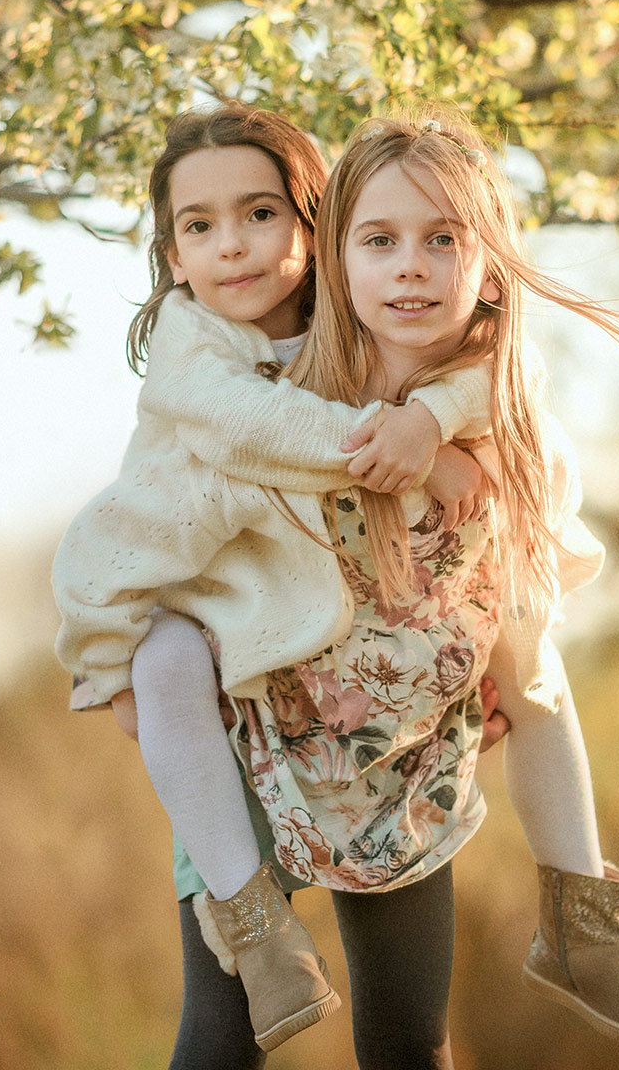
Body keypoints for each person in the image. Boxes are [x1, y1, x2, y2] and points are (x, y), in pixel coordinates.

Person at [53, 102, 498, 1058]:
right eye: (198, 226)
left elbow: (501, 358)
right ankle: (251, 920)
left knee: (409, 1041)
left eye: (261, 215)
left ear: (314, 223)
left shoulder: (372, 320)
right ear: (171, 254)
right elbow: (261, 432)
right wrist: (413, 448)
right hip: (229, 706)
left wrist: (437, 415)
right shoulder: (194, 357)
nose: (233, 248)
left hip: (366, 728)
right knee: (221, 1040)